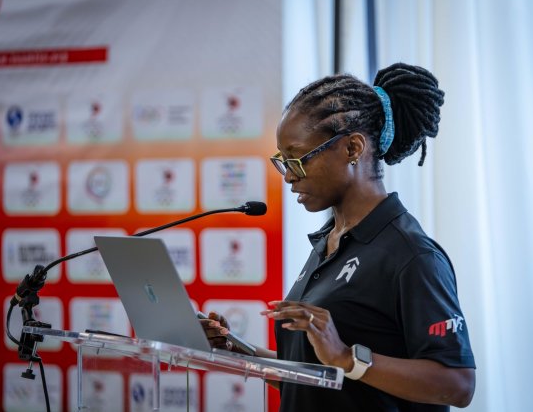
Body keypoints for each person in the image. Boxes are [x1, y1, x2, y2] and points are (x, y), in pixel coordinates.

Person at [200, 62, 476, 411]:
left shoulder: (412, 255)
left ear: (352, 148)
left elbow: (458, 384)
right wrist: (237, 348)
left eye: (298, 160)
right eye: (283, 161)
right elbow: (318, 378)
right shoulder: (329, 243)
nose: (289, 177)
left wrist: (347, 358)